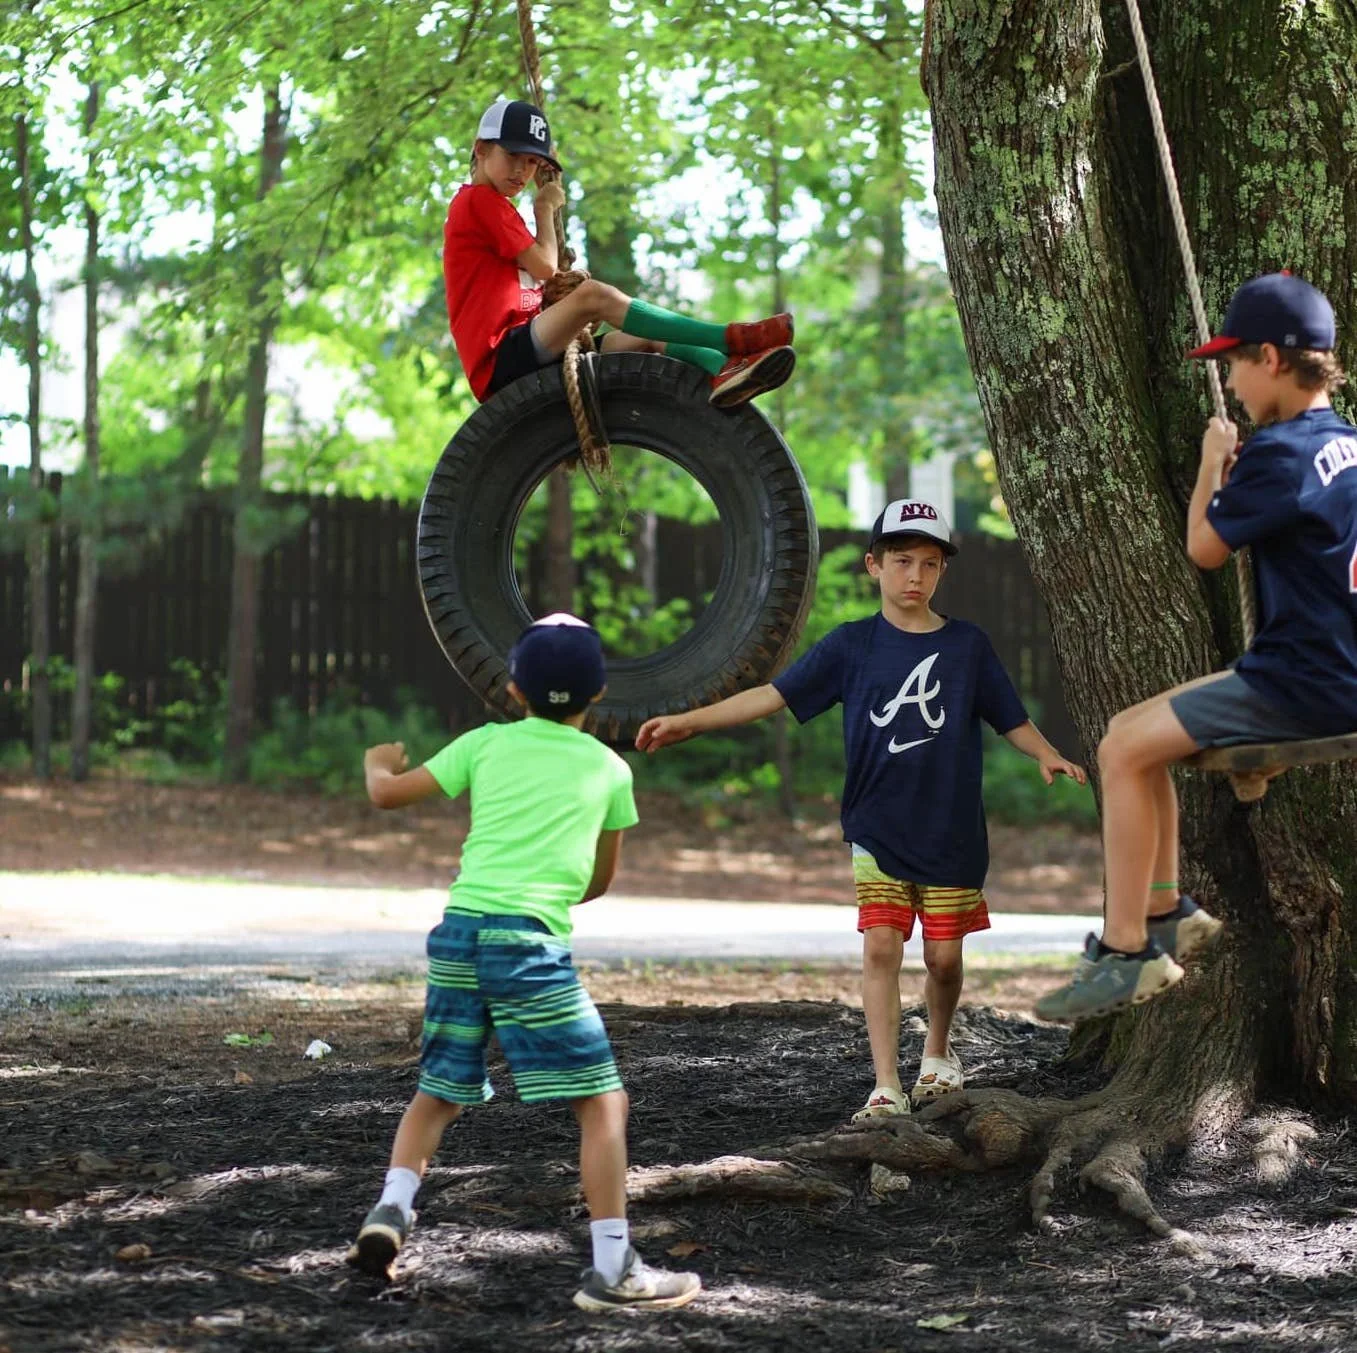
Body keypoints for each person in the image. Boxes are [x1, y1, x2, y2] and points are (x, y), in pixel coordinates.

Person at [635, 501, 1086, 1118]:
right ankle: (885, 1086)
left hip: (951, 829)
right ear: (874, 565)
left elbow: (1010, 716)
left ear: (941, 573)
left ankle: (936, 1052)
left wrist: (1047, 753)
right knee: (881, 948)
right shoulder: (851, 645)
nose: (914, 577)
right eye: (901, 561)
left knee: (943, 958)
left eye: (929, 564)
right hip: (876, 824)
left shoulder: (967, 646)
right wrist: (691, 722)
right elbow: (774, 695)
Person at [347, 613, 700, 1313]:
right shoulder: (610, 766)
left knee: (438, 1092)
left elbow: (385, 793)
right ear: (599, 693)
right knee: (602, 1101)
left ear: (513, 689)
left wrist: (376, 758)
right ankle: (611, 1268)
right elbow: (598, 881)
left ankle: (391, 1208)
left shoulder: (484, 743)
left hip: (457, 935)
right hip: (527, 943)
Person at [1035, 272, 1357, 1022]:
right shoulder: (1344, 445)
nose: (1231, 384)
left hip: (1298, 684)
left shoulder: (1277, 454)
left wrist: (1213, 462)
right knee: (1128, 732)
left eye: (1232, 365)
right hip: (1328, 671)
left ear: (1271, 358)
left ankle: (1124, 954)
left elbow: (1204, 547)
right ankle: (1166, 909)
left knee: (1119, 754)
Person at [444, 98, 795, 408]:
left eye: (532, 163)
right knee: (593, 296)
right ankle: (730, 338)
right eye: (512, 156)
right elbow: (546, 267)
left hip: (528, 346)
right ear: (481, 149)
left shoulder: (495, 208)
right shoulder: (479, 201)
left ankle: (724, 369)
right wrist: (543, 209)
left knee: (647, 338)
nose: (522, 171)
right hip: (500, 358)